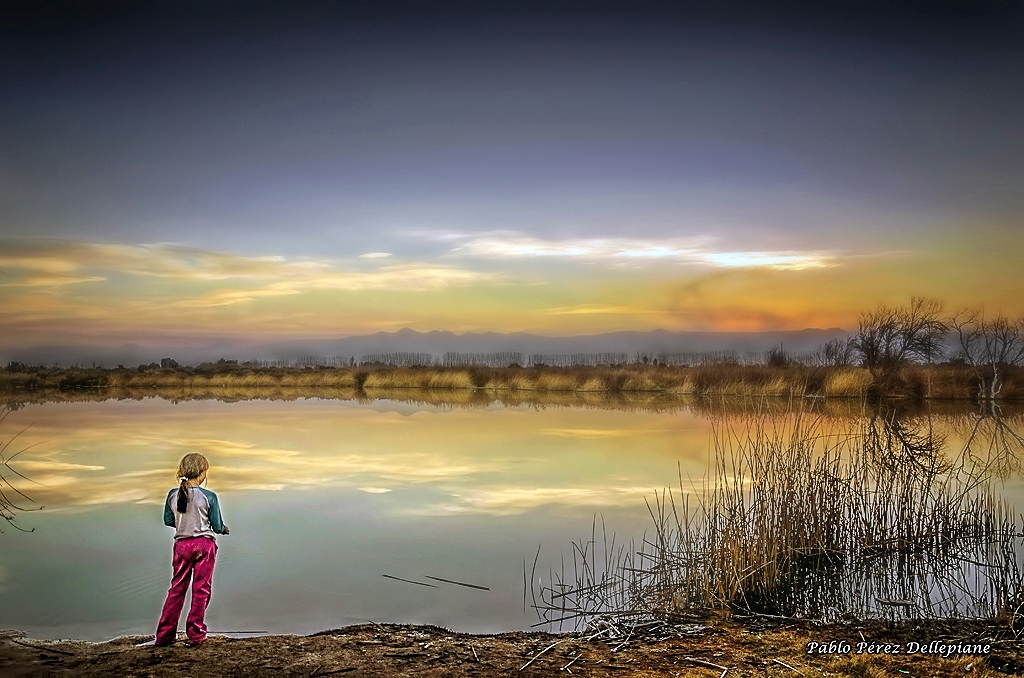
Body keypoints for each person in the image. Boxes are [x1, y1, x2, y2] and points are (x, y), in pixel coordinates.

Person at [155, 453, 229, 646]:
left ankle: (164, 635)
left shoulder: (173, 494)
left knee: (177, 589)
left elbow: (168, 520)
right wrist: (223, 529)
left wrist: (184, 525)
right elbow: (217, 524)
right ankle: (196, 633)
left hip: (181, 546)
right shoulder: (209, 496)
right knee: (201, 589)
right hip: (204, 545)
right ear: (202, 473)